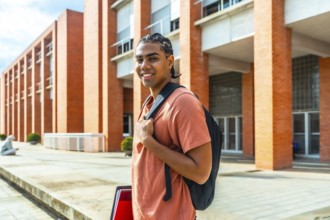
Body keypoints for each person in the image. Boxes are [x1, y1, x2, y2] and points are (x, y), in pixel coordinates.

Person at [132, 33, 212, 220]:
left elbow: (201, 173)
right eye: (139, 59)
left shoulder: (183, 102)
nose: (144, 66)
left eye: (153, 58)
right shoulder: (149, 103)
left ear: (169, 62)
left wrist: (148, 141)